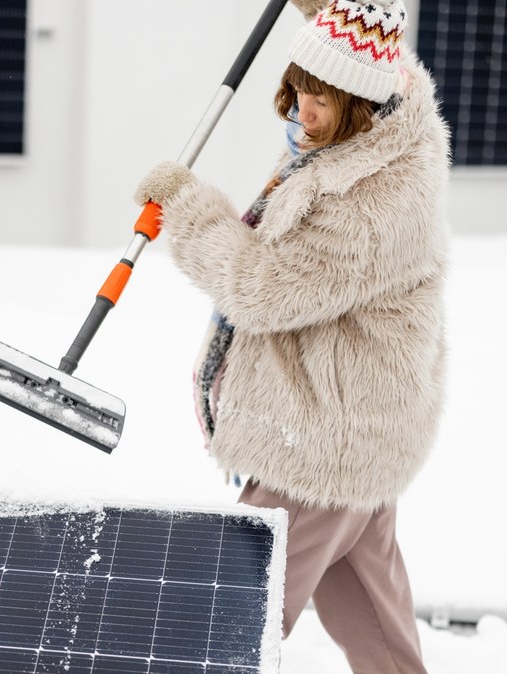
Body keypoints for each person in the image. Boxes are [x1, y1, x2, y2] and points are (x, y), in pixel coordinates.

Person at [133, 1, 449, 672]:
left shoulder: (372, 204)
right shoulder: (395, 111)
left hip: (320, 443)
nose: (301, 112)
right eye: (298, 90)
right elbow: (378, 47)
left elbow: (260, 289)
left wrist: (188, 209)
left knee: (230, 619)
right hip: (365, 431)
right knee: (378, 631)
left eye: (321, 103)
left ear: (360, 104)